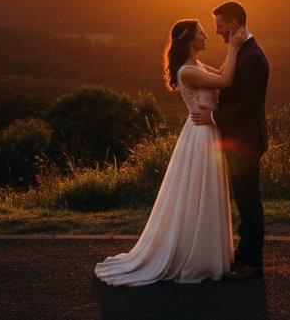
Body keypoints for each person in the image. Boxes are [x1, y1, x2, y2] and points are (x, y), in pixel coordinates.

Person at [94, 19, 248, 286]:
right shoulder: (187, 71)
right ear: (190, 40)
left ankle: (207, 252)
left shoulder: (196, 66)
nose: (206, 36)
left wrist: (233, 44)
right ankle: (195, 256)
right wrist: (234, 46)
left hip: (206, 130)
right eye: (201, 33)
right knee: (200, 191)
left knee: (204, 192)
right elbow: (227, 80)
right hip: (201, 135)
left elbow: (220, 73)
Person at [191, 1, 269, 281]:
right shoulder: (241, 52)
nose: (217, 32)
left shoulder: (252, 58)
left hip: (245, 141)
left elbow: (250, 104)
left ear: (233, 24)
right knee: (243, 199)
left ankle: (253, 262)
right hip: (238, 139)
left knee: (249, 202)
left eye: (220, 26)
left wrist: (214, 116)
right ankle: (244, 251)